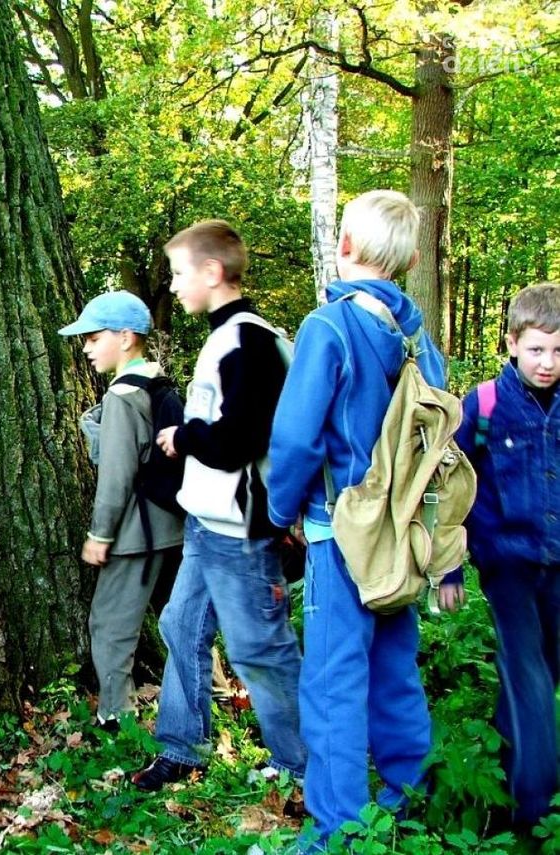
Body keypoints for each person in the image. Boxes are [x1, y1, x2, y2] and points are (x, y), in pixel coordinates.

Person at [266, 190, 447, 849]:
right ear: (410, 258)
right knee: (395, 666)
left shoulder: (329, 326)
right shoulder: (417, 337)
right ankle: (408, 797)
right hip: (401, 532)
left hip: (339, 530)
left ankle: (338, 826)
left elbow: (294, 438)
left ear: (344, 245)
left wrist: (279, 510)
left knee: (333, 677)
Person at [134, 220, 305, 792]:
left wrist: (184, 438)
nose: (175, 285)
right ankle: (182, 746)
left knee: (259, 647)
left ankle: (303, 764)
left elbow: (242, 439)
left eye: (181, 273)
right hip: (208, 523)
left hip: (241, 529)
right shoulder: (225, 335)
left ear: (213, 272)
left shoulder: (248, 339)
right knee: (180, 623)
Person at [454, 282, 560, 829]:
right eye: (538, 349)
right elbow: (452, 484)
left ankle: (500, 776)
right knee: (529, 677)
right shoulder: (486, 404)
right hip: (508, 565)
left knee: (544, 675)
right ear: (514, 343)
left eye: (559, 350)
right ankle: (535, 815)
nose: (548, 362)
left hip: (558, 564)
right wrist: (450, 564)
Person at [57, 291, 184, 727]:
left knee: (110, 626)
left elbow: (116, 477)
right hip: (174, 527)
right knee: (181, 624)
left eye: (94, 338)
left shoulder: (122, 396)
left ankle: (116, 721)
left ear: (126, 337)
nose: (87, 348)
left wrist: (100, 535)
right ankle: (222, 700)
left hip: (136, 534)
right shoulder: (158, 383)